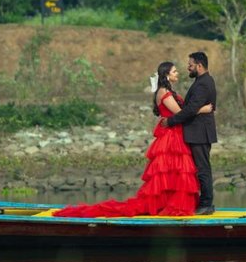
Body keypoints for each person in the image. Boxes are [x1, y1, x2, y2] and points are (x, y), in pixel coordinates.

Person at [53, 61, 211, 218]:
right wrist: (203, 109)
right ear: (166, 75)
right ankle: (168, 204)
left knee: (175, 172)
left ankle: (169, 202)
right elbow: (180, 113)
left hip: (176, 133)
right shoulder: (164, 92)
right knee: (174, 170)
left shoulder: (169, 91)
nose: (177, 73)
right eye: (174, 71)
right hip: (171, 136)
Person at [164, 51, 218, 214]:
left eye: (190, 65)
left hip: (199, 132)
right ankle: (201, 202)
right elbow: (193, 108)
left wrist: (170, 121)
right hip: (197, 132)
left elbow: (191, 109)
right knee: (199, 168)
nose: (188, 67)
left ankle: (206, 204)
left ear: (199, 66)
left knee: (202, 168)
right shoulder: (202, 81)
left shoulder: (203, 83)